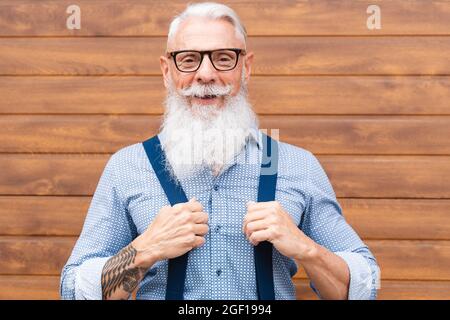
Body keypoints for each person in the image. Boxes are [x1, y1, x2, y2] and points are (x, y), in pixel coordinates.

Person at [60, 2, 380, 300]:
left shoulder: (298, 165)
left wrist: (306, 248)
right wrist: (145, 250)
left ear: (246, 66)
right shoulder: (128, 166)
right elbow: (75, 290)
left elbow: (362, 288)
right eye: (188, 59)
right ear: (166, 70)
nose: (206, 74)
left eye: (223, 58)